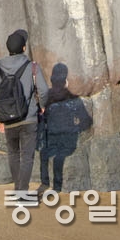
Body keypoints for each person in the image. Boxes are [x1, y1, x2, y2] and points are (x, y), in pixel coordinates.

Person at [0, 28, 48, 192]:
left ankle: (19, 190)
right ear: (24, 48)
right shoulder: (32, 67)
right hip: (28, 118)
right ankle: (21, 192)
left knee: (13, 154)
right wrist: (42, 106)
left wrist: (0, 119)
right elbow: (43, 91)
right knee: (27, 157)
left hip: (8, 119)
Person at [38, 62, 93, 191]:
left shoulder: (47, 98)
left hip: (51, 141)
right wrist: (75, 128)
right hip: (69, 140)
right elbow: (87, 121)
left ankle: (45, 183)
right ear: (66, 81)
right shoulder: (73, 98)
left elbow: (41, 119)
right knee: (58, 154)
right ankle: (57, 186)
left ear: (51, 80)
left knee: (45, 153)